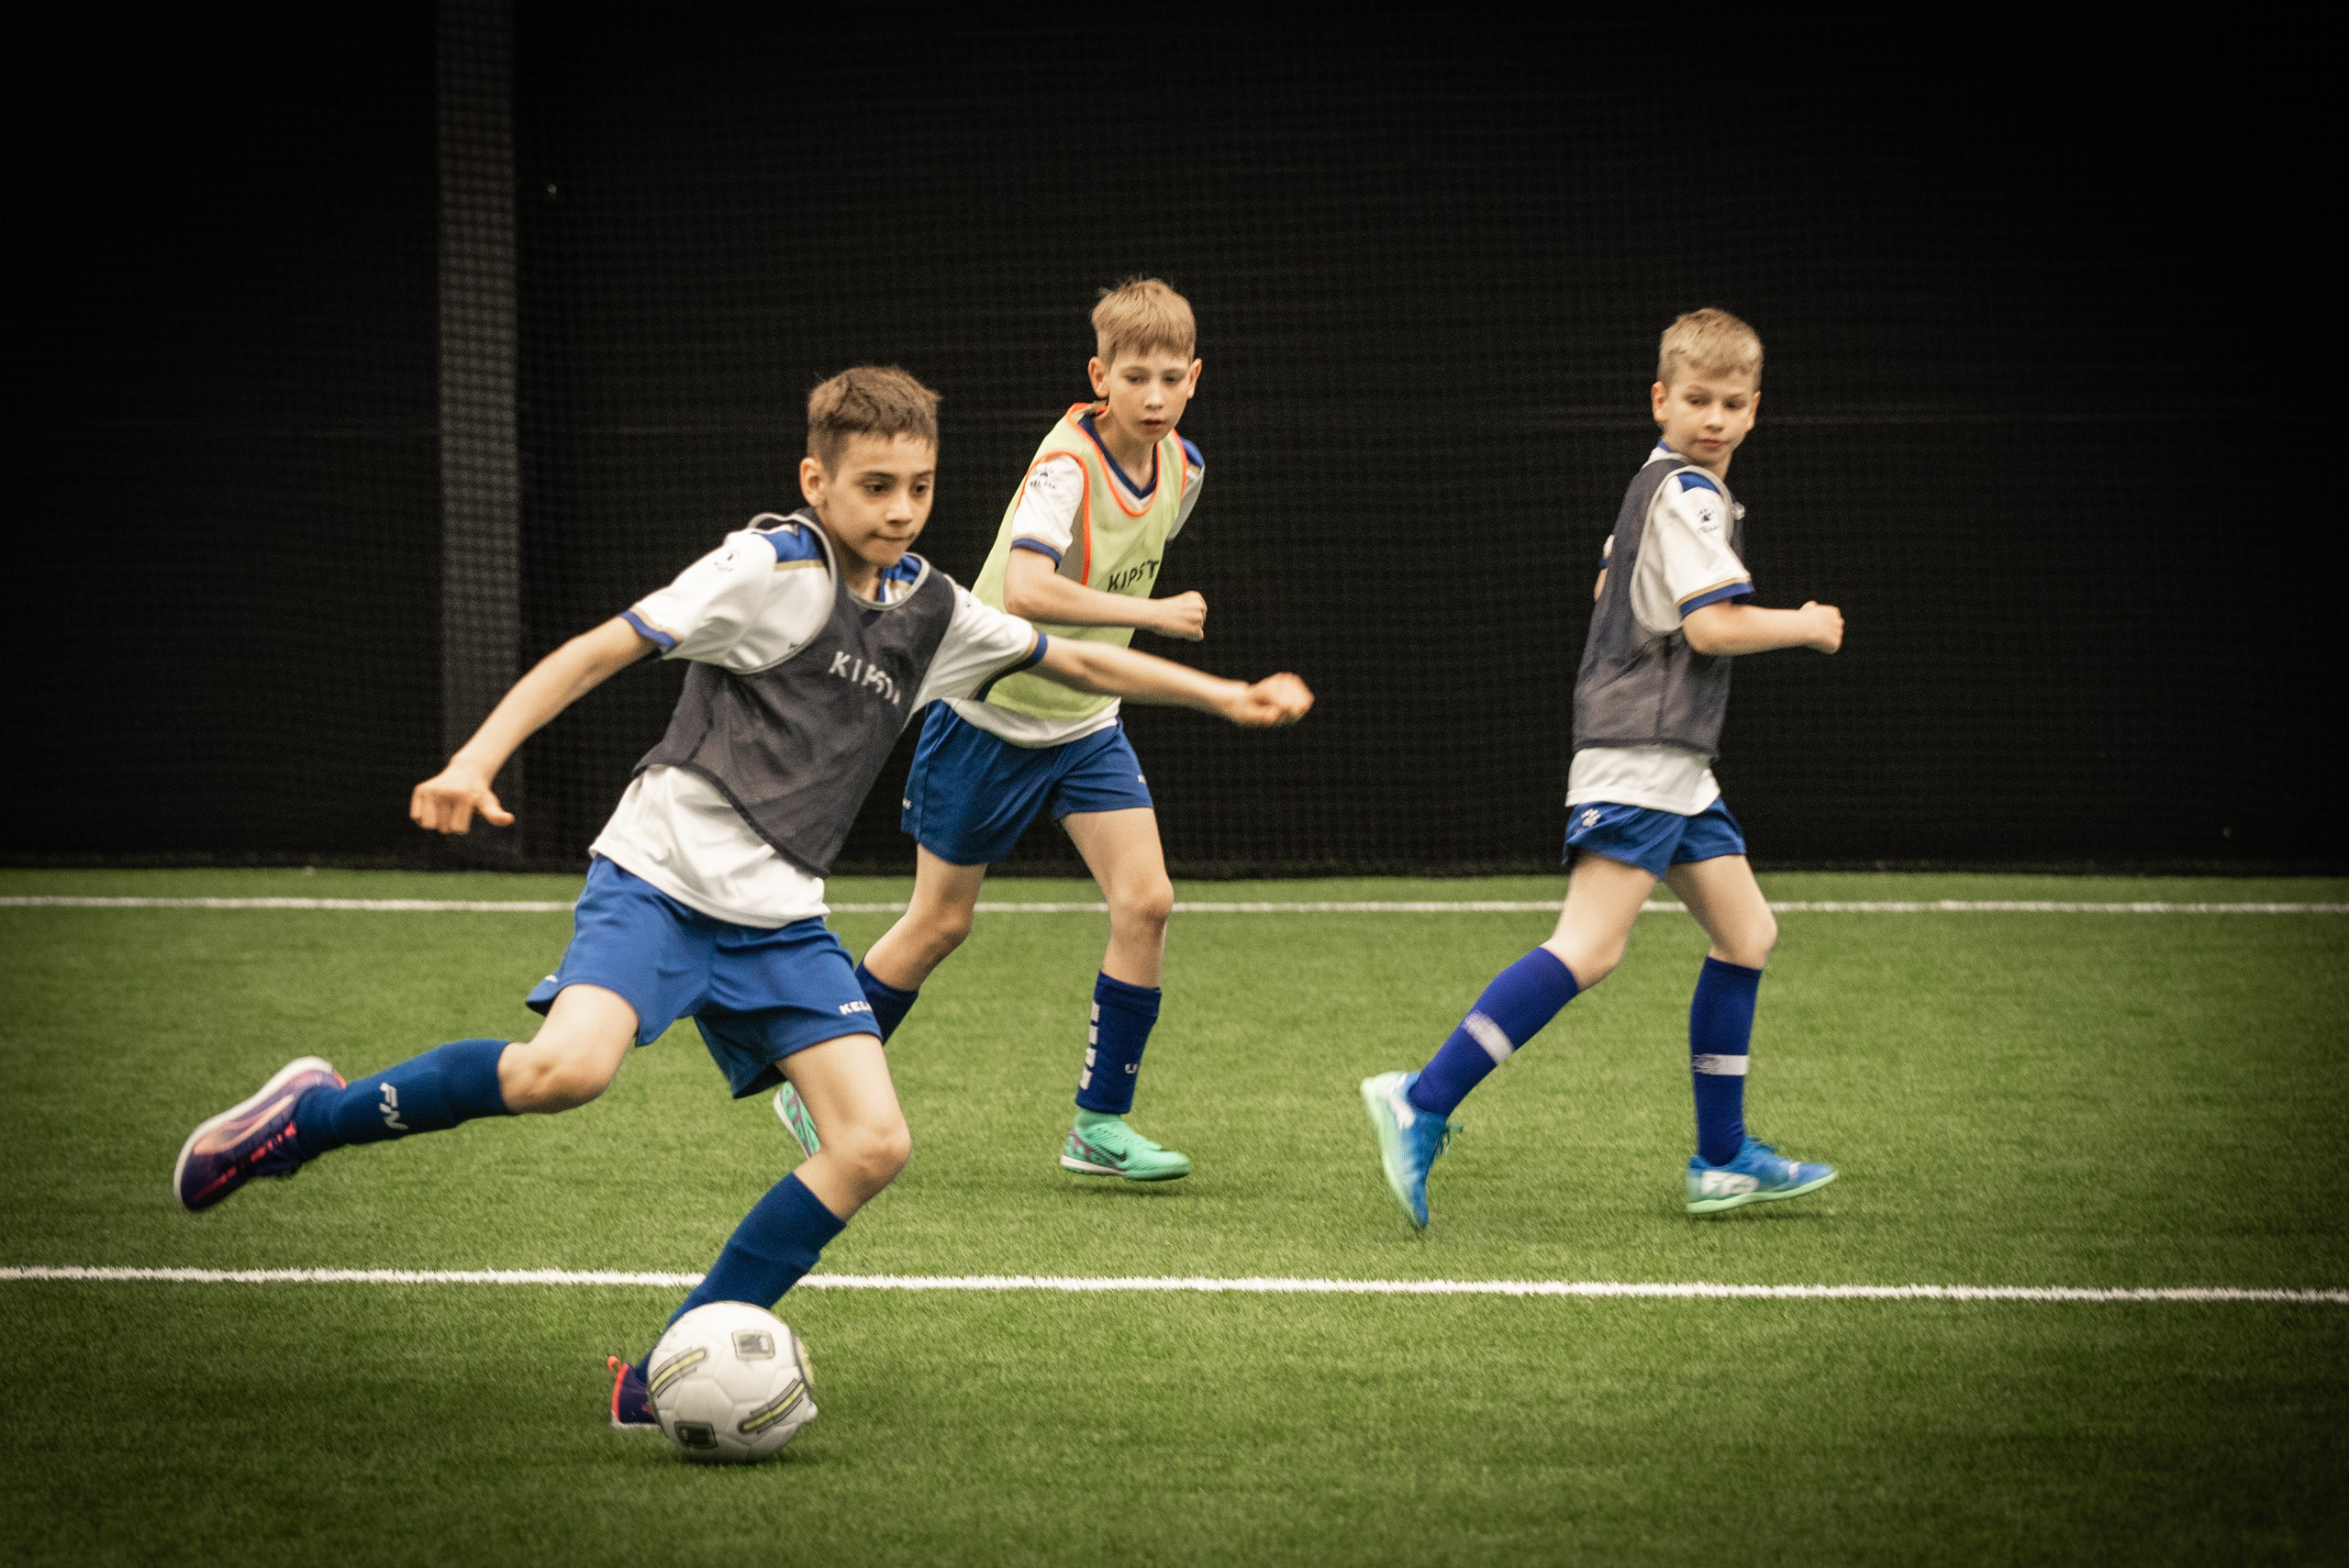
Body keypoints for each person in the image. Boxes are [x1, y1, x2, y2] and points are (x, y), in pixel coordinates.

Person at [172, 366, 1313, 1429]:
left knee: (869, 1141)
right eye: (875, 486)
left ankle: (665, 1364)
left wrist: (1221, 696)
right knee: (562, 1072)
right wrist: (477, 758)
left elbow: (1073, 660)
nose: (902, 507)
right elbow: (595, 650)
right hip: (660, 882)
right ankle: (301, 1121)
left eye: (919, 485)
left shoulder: (933, 609)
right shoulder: (765, 568)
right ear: (817, 482)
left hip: (780, 916)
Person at [1360, 308, 1843, 1229]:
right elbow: (1708, 625)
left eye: (1730, 402)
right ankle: (1420, 1097)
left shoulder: (1657, 491)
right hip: (1640, 754)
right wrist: (1805, 622)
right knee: (1589, 945)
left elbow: (1612, 593)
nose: (1712, 415)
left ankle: (1722, 1159)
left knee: (1746, 931)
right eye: (1695, 398)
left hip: (1673, 761)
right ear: (1659, 398)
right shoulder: (1688, 494)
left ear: (1753, 410)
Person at [775, 279, 1213, 1183]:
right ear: (1100, 376)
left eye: (1173, 376)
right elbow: (1027, 591)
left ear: (1195, 377)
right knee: (940, 922)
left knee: (1147, 902)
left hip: (1088, 726)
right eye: (1136, 376)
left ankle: (1099, 1124)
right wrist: (1160, 614)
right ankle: (814, 1085)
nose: (1156, 396)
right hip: (988, 717)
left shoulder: (1184, 467)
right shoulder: (1066, 469)